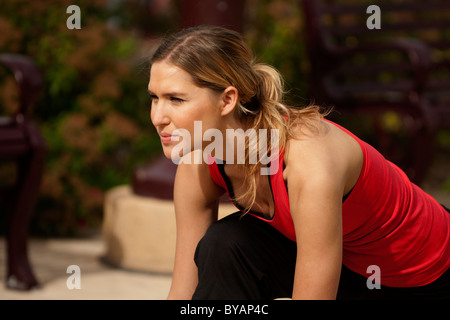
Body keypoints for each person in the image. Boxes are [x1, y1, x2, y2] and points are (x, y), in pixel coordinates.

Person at [147, 25, 450, 300]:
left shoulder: (307, 160)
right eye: (154, 98)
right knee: (225, 245)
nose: (158, 117)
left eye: (175, 99)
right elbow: (184, 292)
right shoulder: (199, 160)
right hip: (349, 267)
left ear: (227, 100)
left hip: (421, 279)